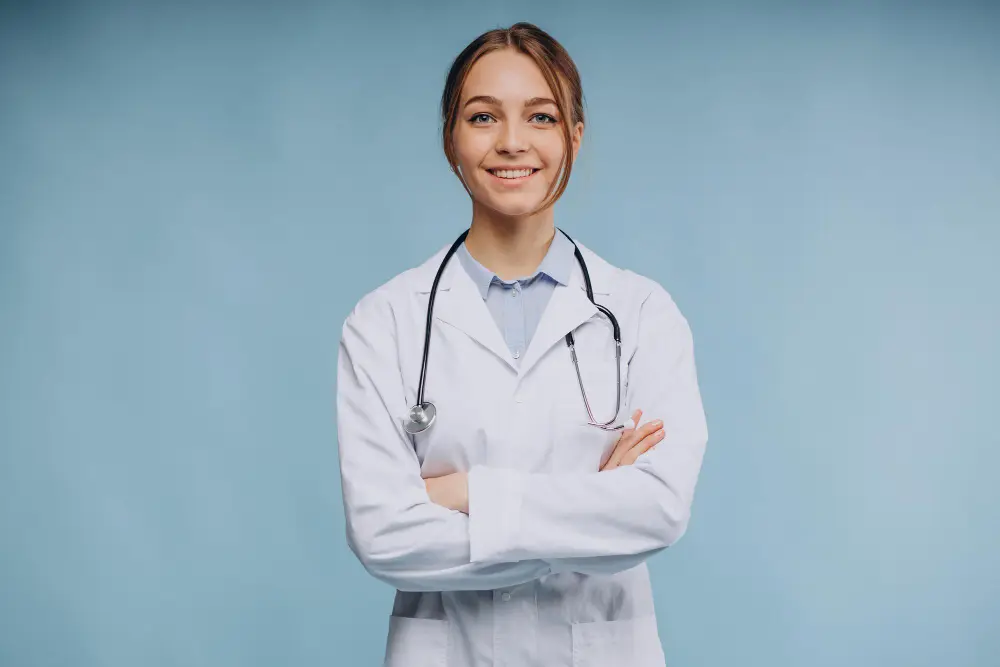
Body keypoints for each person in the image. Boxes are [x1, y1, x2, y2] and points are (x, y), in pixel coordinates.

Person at [336, 21, 709, 667]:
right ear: (451, 139)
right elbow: (382, 534)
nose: (512, 142)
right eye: (483, 117)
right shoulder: (385, 321)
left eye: (541, 116)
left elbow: (657, 509)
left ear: (574, 136)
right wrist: (592, 503)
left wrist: (462, 492)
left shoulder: (643, 312)